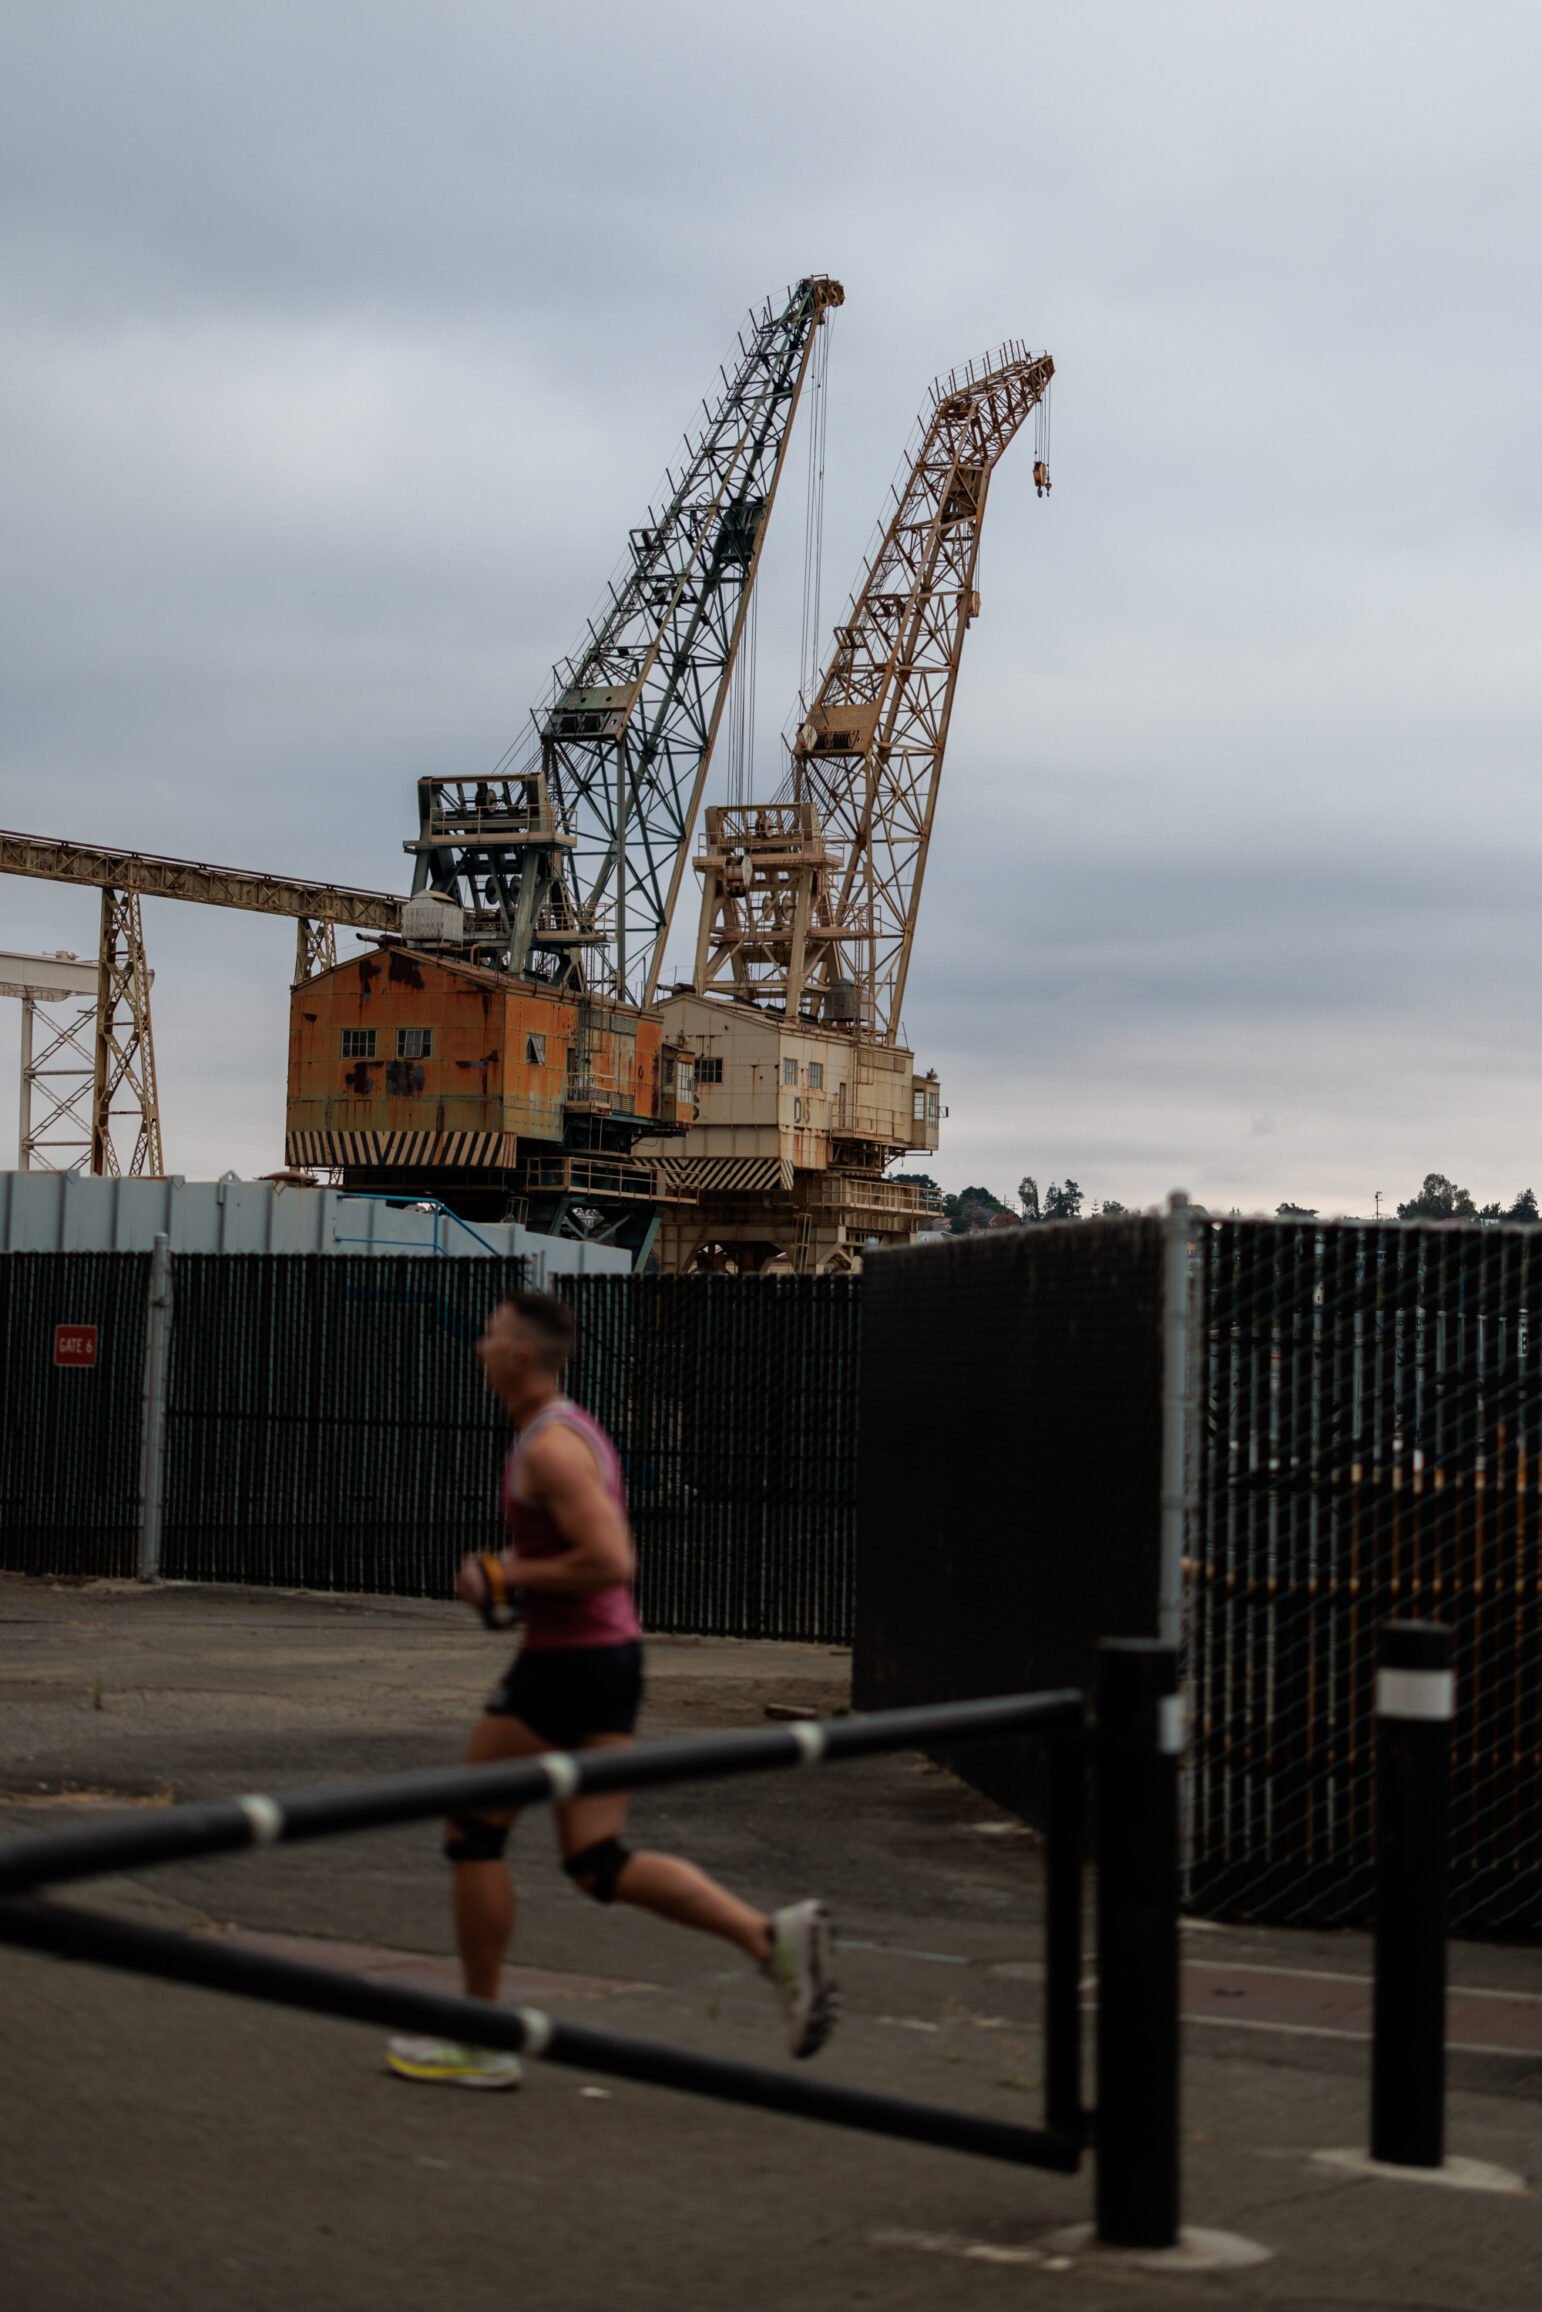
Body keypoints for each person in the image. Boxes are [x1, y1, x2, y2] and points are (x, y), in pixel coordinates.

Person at [387, 1289, 837, 2089]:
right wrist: (517, 1584)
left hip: (568, 1664)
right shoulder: (572, 1429)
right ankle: (771, 1941)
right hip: (609, 1658)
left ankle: (484, 2037)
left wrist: (503, 1572)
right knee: (596, 1860)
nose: (480, 1350)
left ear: (521, 1355)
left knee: (472, 1832)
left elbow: (612, 1560)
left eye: (490, 1338)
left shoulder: (549, 1449)